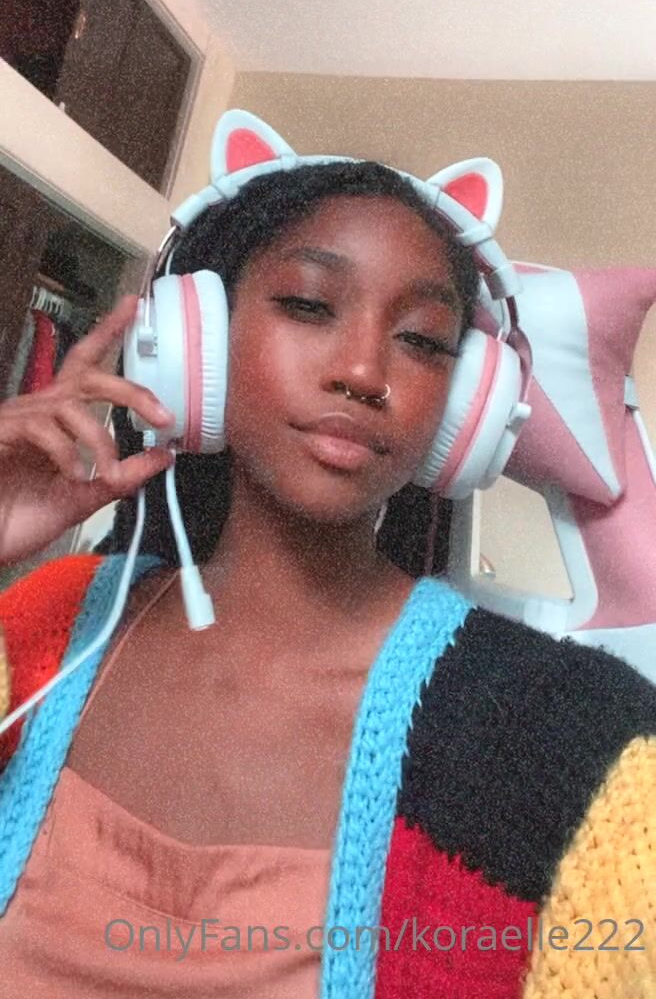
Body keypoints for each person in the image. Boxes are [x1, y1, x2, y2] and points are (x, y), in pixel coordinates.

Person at [0, 117, 654, 999]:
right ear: (197, 339)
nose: (362, 372)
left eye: (422, 340)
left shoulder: (577, 746)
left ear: (468, 406)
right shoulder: (50, 626)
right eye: (309, 305)